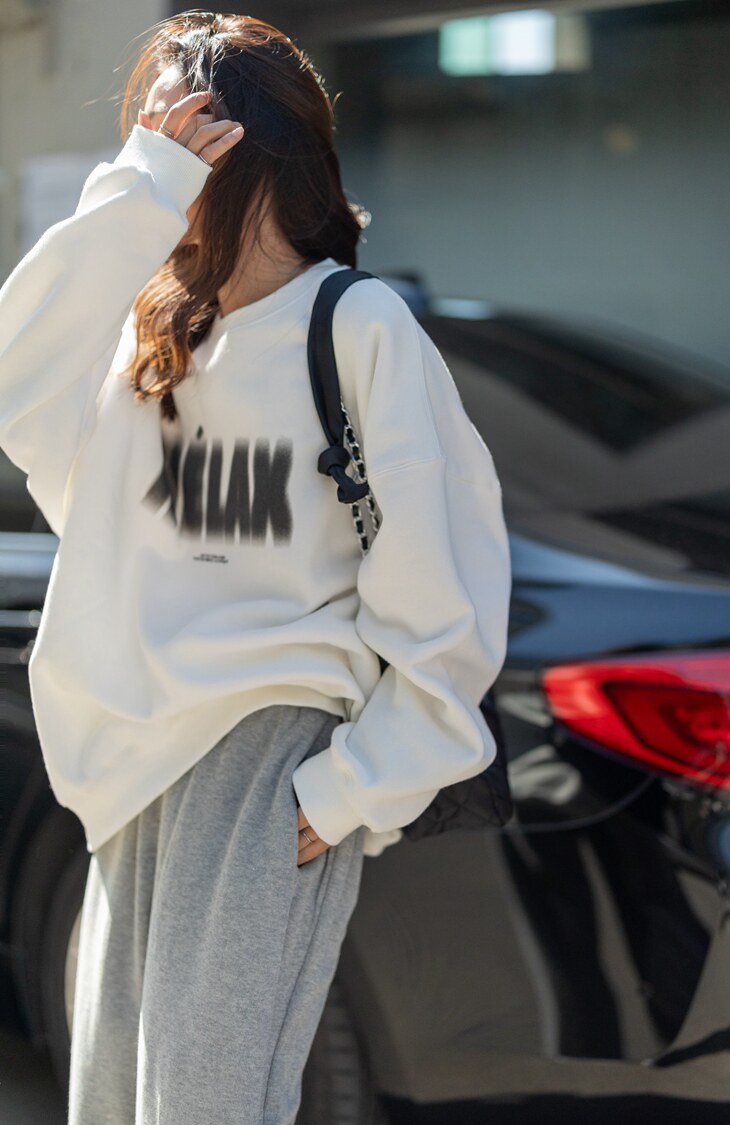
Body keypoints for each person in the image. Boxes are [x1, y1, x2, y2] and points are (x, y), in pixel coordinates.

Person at [0, 11, 512, 1124]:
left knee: (205, 1105)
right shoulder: (151, 342)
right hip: (128, 771)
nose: (160, 162)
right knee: (113, 1103)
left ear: (243, 149)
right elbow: (12, 380)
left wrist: (349, 790)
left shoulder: (356, 325)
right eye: (148, 141)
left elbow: (449, 584)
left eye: (179, 137)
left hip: (263, 764)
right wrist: (137, 188)